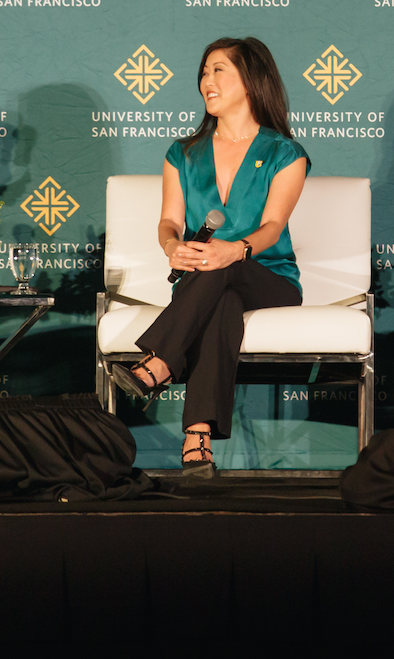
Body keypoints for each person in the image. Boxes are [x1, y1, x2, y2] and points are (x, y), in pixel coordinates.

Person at [109, 37, 310, 478]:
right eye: (204, 71)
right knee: (222, 303)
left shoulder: (284, 153)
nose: (207, 81)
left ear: (251, 81)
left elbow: (273, 227)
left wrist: (234, 250)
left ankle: (159, 362)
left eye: (219, 70)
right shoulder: (183, 152)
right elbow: (169, 222)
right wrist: (171, 247)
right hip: (205, 280)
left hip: (269, 275)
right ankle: (197, 438)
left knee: (227, 268)